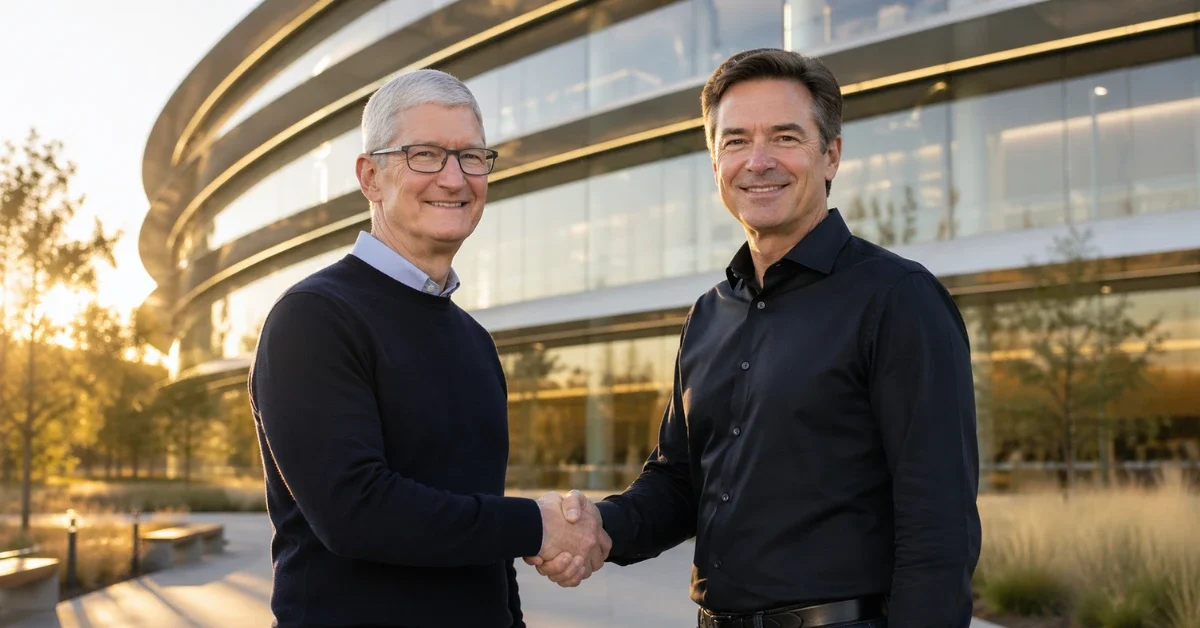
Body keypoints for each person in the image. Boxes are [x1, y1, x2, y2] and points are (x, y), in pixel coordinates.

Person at [530, 48, 982, 627]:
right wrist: (595, 527)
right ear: (715, 162)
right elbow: (678, 484)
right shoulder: (708, 315)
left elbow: (938, 523)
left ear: (831, 155)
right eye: (736, 141)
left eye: (785, 138)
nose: (758, 161)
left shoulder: (898, 299)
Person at [248, 69, 608, 628]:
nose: (454, 178)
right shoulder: (313, 318)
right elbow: (354, 511)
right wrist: (536, 526)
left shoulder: (474, 340)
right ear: (370, 176)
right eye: (425, 155)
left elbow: (484, 537)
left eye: (471, 157)